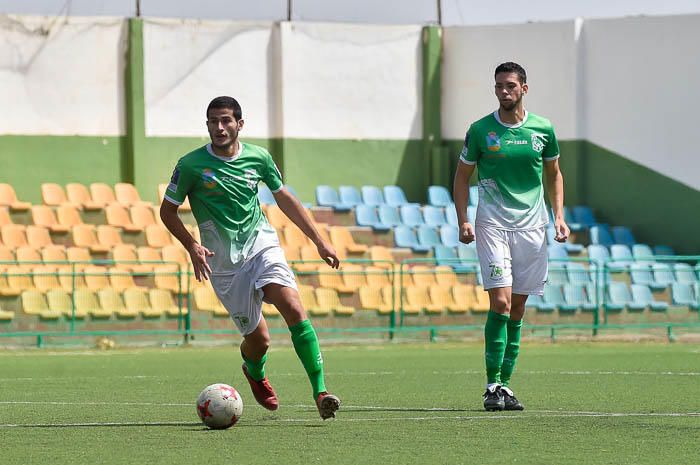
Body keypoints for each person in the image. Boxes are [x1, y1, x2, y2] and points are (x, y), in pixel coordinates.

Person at [160, 96, 341, 420]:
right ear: (207, 125)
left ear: (239, 124)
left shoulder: (259, 158)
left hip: (261, 245)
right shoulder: (190, 165)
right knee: (259, 340)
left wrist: (319, 240)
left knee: (294, 307)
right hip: (225, 264)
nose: (219, 127)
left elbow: (283, 196)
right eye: (213, 121)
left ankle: (321, 392)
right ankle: (254, 371)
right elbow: (167, 210)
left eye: (226, 120)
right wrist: (191, 244)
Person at [453, 62, 569, 411]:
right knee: (500, 303)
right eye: (499, 86)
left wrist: (559, 216)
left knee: (518, 308)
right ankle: (492, 386)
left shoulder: (543, 129)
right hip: (492, 224)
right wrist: (463, 219)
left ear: (524, 89)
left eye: (510, 86)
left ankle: (505, 384)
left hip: (533, 228)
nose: (504, 92)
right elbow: (461, 178)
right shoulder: (480, 130)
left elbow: (554, 174)